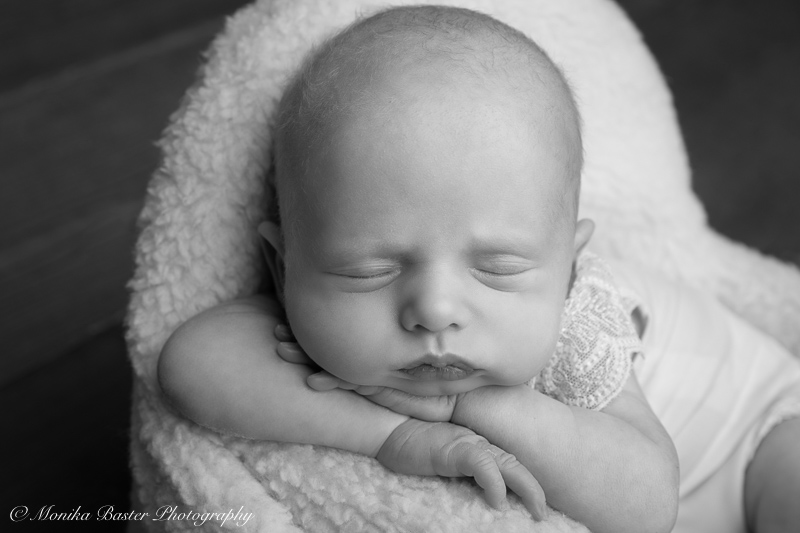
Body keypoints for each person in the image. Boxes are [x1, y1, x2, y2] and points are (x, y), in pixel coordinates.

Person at [156, 5, 800, 533]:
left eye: (497, 267)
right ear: (283, 267)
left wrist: (465, 405)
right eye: (371, 270)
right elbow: (191, 366)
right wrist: (391, 435)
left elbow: (646, 506)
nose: (436, 309)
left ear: (569, 269)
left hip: (754, 438)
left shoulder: (579, 321)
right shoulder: (317, 307)